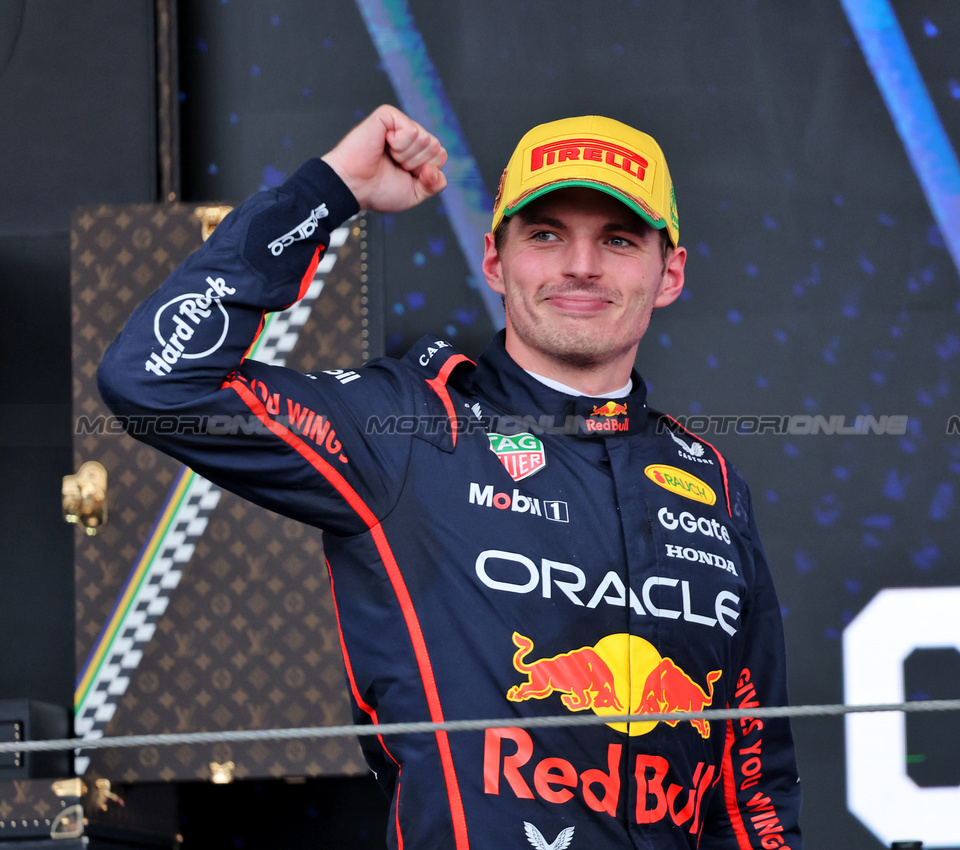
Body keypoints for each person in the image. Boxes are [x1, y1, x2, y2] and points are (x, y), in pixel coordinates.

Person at [98, 105, 801, 850]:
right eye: (545, 235)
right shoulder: (405, 428)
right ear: (496, 263)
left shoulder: (711, 480)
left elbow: (751, 785)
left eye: (619, 240)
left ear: (669, 274)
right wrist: (328, 189)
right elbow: (156, 379)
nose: (581, 266)